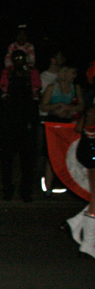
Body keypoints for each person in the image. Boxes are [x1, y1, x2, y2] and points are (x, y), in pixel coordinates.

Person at [0, 50, 42, 202]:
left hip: (26, 121)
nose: (18, 60)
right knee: (7, 159)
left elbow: (36, 93)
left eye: (21, 58)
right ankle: (7, 189)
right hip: (10, 121)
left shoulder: (31, 73)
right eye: (15, 58)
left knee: (27, 160)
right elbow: (2, 93)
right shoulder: (7, 73)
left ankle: (26, 190)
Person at [41, 66, 83, 195]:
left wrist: (70, 109)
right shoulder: (52, 87)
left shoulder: (75, 88)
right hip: (53, 123)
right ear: (64, 73)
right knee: (51, 156)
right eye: (72, 72)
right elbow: (43, 105)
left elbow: (81, 104)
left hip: (68, 123)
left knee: (67, 155)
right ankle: (48, 187)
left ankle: (68, 185)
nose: (74, 75)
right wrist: (58, 106)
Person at [68, 105, 95, 257]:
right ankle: (88, 243)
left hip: (86, 151)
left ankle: (75, 223)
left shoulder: (89, 112)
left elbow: (78, 128)